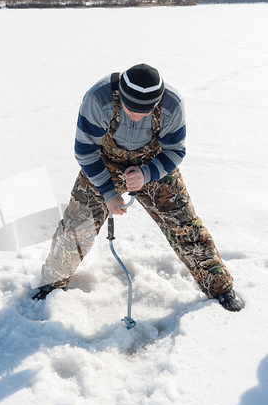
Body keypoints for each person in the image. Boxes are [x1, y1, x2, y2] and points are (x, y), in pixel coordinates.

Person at [33, 63, 244, 312]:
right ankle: (51, 284)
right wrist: (109, 193)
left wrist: (147, 174)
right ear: (121, 96)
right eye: (130, 109)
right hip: (104, 163)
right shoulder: (98, 98)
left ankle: (220, 288)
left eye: (146, 111)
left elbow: (175, 150)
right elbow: (85, 151)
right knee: (76, 227)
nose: (136, 116)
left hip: (153, 163)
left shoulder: (172, 104)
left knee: (184, 225)